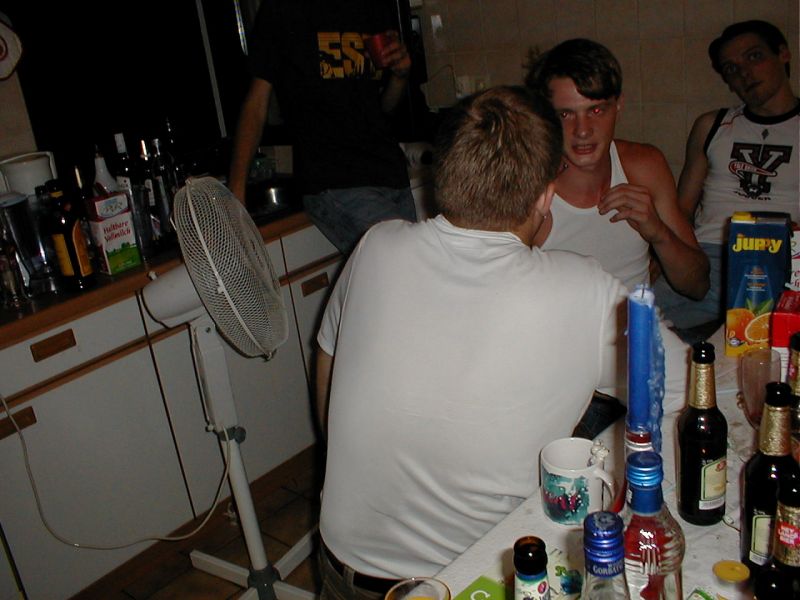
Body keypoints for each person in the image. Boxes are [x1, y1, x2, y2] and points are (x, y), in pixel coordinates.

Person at [313, 85, 688, 599]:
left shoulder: (375, 245)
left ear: (440, 179)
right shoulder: (585, 290)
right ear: (545, 197)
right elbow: (683, 391)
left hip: (341, 569)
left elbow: (327, 360)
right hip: (470, 583)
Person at [524, 39, 709, 301]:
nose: (583, 130)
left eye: (596, 110)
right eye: (565, 115)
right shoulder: (527, 186)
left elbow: (698, 286)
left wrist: (659, 234)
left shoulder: (644, 166)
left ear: (618, 106)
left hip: (639, 325)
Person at [228, 0, 417, 254]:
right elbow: (256, 105)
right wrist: (236, 196)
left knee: (411, 271)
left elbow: (383, 107)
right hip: (335, 181)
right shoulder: (283, 9)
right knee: (411, 263)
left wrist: (400, 76)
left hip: (392, 175)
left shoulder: (374, 8)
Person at [655, 20, 799, 331]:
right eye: (731, 69)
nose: (744, 72)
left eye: (754, 57)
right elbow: (681, 211)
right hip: (709, 257)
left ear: (783, 54)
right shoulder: (713, 125)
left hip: (781, 257)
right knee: (636, 325)